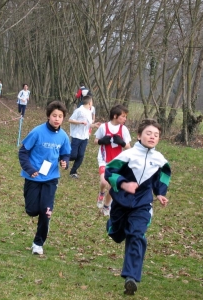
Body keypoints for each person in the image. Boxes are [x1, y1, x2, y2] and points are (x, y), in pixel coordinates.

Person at [105, 119, 171, 295]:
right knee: (117, 233)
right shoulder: (128, 155)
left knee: (136, 234)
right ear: (139, 135)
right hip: (121, 201)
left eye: (156, 135)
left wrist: (160, 193)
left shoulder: (159, 160)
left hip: (143, 203)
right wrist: (124, 184)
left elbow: (163, 176)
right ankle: (112, 225)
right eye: (149, 133)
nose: (152, 137)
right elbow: (109, 171)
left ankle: (131, 277)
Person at [18, 101, 71, 255]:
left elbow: (66, 154)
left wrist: (64, 162)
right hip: (33, 177)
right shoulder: (37, 132)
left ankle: (38, 243)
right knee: (32, 210)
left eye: (60, 116)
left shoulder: (63, 136)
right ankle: (35, 212)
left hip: (51, 178)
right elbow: (23, 152)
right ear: (49, 116)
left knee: (46, 211)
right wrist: (29, 169)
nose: (57, 119)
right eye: (54, 115)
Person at [94, 105, 131, 216]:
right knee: (104, 182)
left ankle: (106, 205)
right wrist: (101, 141)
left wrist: (122, 143)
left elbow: (129, 146)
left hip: (117, 162)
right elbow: (95, 140)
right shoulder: (104, 127)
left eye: (126, 117)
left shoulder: (124, 129)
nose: (125, 119)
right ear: (115, 116)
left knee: (112, 186)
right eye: (123, 116)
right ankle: (101, 193)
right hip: (104, 159)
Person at [68, 95, 100, 179]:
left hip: (85, 137)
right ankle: (60, 158)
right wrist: (80, 122)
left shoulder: (89, 112)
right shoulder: (79, 110)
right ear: (90, 103)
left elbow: (88, 125)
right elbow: (70, 120)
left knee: (81, 155)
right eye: (92, 102)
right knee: (73, 155)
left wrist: (94, 125)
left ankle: (73, 172)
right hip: (76, 136)